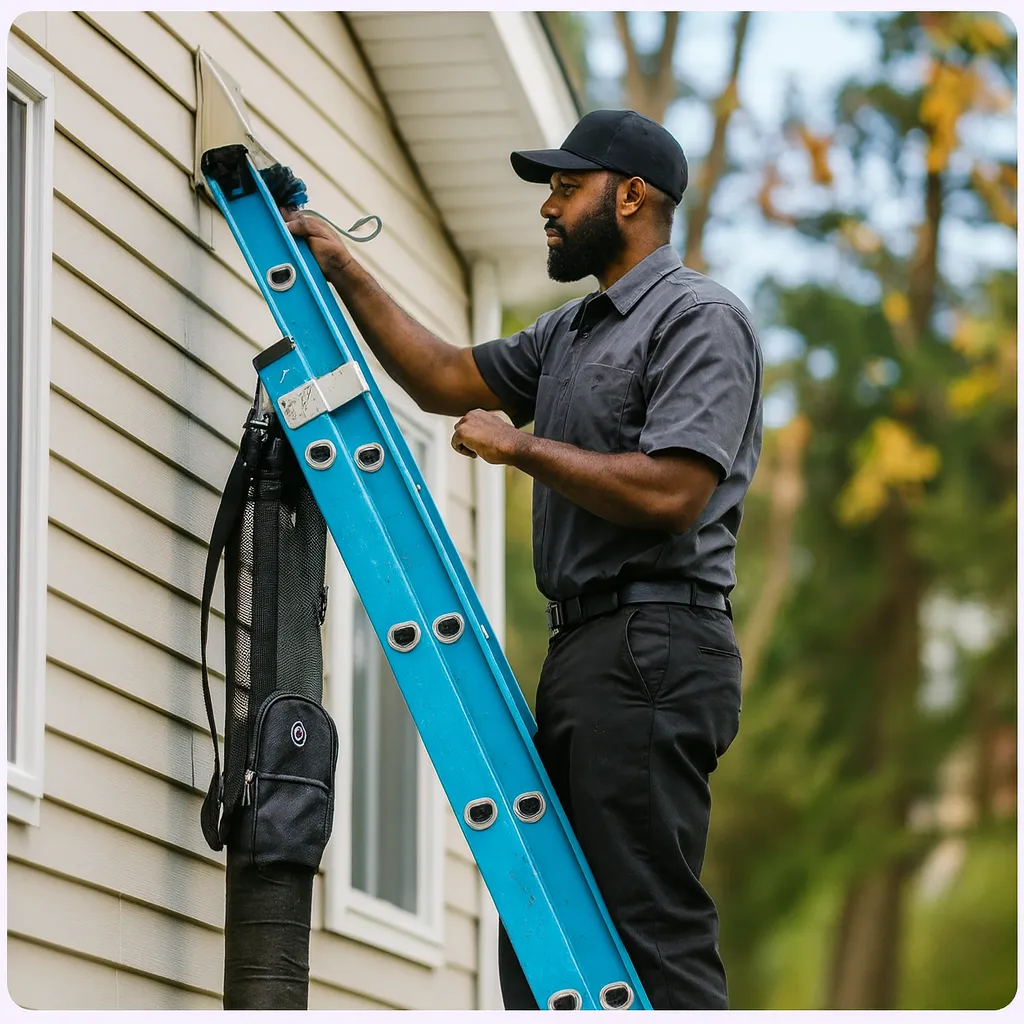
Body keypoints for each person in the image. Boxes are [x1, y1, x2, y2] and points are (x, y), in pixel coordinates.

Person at [285, 108, 763, 1011]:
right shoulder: (572, 333)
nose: (547, 206)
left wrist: (525, 449)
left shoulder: (702, 320)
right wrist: (344, 269)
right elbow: (438, 376)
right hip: (588, 652)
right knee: (547, 945)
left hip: (657, 643)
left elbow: (674, 495)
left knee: (646, 934)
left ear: (630, 197)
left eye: (565, 186)